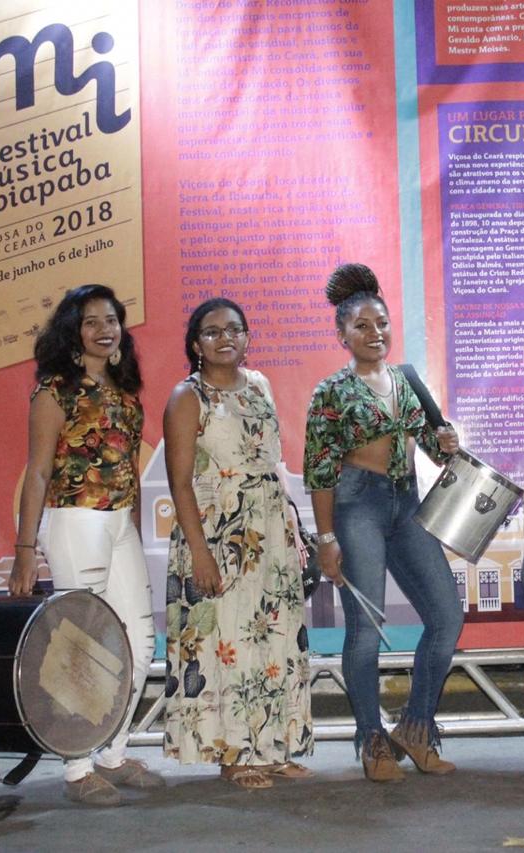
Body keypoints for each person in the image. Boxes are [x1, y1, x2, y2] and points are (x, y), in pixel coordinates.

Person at [303, 263, 464, 783]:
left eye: (382, 323)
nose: (375, 333)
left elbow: (435, 450)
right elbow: (320, 472)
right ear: (342, 335)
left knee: (446, 617)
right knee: (366, 628)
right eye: (362, 326)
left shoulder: (407, 381)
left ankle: (416, 726)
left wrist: (445, 442)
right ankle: (372, 738)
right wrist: (326, 538)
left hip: (407, 503)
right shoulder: (331, 391)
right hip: (356, 506)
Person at [9, 283, 164, 804]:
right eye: (91, 321)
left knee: (139, 640)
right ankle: (78, 768)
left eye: (111, 320)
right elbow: (37, 472)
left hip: (119, 524)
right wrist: (24, 551)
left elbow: (129, 470)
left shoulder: (124, 391)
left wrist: (133, 526)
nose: (104, 329)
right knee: (83, 644)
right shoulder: (54, 391)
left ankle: (112, 754)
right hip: (74, 521)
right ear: (73, 332)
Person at [162, 298, 314, 788]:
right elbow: (180, 483)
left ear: (248, 337)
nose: (225, 338)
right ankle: (233, 755)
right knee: (226, 642)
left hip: (269, 535)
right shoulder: (187, 397)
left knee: (272, 638)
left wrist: (292, 527)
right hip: (217, 535)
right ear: (196, 344)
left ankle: (271, 747)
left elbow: (273, 463)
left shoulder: (261, 385)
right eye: (212, 332)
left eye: (234, 329)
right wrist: (200, 552)